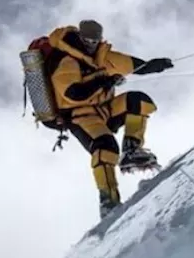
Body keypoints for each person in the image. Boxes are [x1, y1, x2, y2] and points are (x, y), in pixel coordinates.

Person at [46, 19, 175, 217]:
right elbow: (74, 94)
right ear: (80, 37)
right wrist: (105, 81)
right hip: (80, 116)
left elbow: (130, 65)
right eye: (87, 40)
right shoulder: (67, 60)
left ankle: (132, 151)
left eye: (94, 40)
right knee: (105, 147)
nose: (91, 44)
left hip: (105, 109)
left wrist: (153, 65)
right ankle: (108, 200)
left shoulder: (102, 56)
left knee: (138, 101)